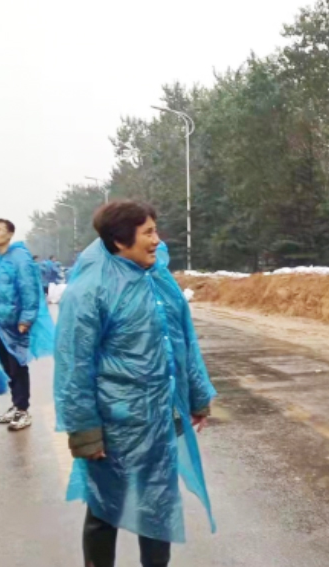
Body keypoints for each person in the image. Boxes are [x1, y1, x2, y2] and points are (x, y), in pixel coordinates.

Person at [54, 200, 216, 567]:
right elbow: (74, 366)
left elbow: (183, 343)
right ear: (119, 240)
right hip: (115, 424)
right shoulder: (91, 289)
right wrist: (85, 431)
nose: (157, 240)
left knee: (158, 503)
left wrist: (197, 397)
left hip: (158, 419)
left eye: (156, 230)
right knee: (103, 508)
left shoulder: (158, 279)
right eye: (148, 232)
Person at [0, 219, 54, 432]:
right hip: (0, 322)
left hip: (16, 323)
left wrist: (26, 319)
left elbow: (29, 290)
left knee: (18, 365)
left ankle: (23, 410)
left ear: (10, 234)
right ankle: (16, 405)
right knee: (7, 366)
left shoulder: (21, 259)